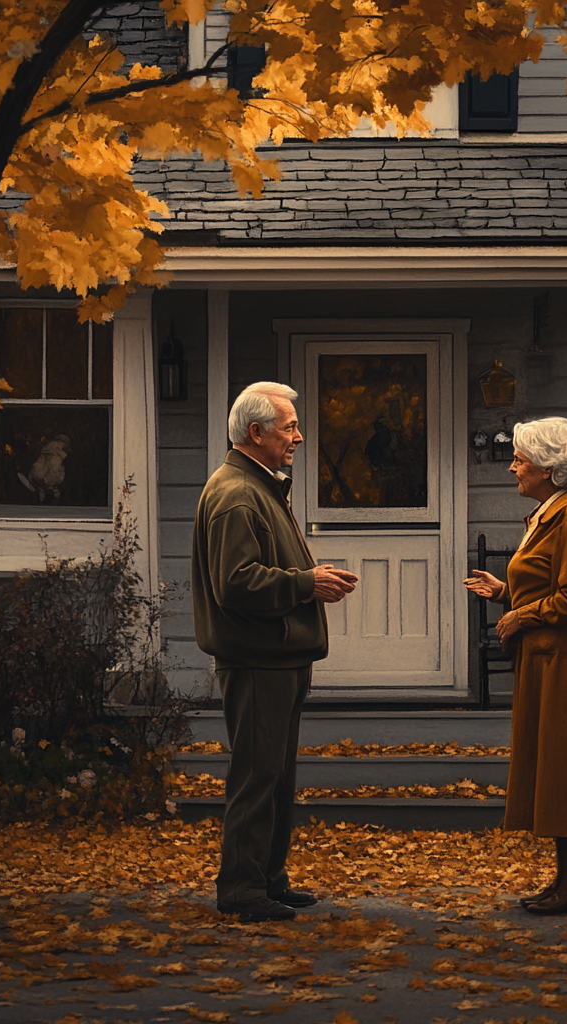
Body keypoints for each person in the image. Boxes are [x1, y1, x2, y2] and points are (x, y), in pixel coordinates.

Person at [192, 381, 358, 923]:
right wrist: (305, 583)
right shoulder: (237, 494)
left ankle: (267, 879)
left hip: (277, 657)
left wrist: (305, 581)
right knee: (257, 776)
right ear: (255, 432)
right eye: (289, 428)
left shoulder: (259, 488)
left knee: (276, 777)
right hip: (257, 658)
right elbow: (235, 583)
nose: (299, 437)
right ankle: (242, 890)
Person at [463, 416, 567, 915]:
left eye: (521, 459)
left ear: (550, 468)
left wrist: (520, 616)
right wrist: (506, 593)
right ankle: (563, 883)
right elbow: (550, 583)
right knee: (554, 768)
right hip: (546, 657)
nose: (512, 466)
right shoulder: (549, 511)